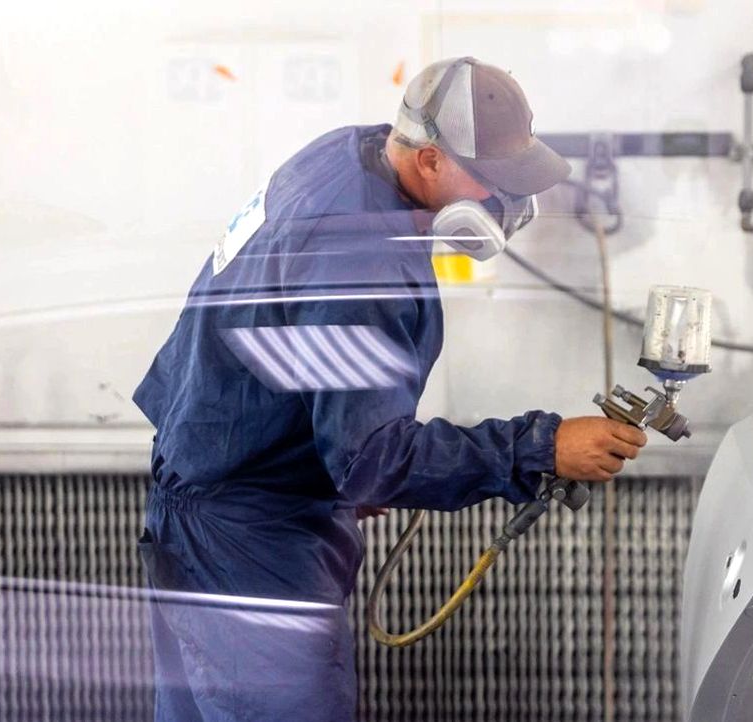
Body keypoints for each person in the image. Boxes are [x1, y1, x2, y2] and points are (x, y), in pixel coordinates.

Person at [131, 56, 646, 721]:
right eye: (493, 184)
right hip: (246, 543)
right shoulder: (358, 250)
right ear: (429, 160)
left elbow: (295, 362)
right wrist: (541, 447)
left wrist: (334, 458)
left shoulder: (352, 157)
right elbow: (372, 459)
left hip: (214, 493)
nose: (507, 207)